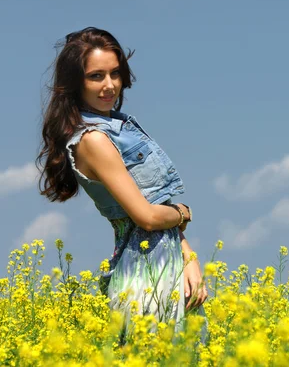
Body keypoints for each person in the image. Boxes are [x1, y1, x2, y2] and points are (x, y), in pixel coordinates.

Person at [36, 27, 207, 340]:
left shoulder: (119, 127)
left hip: (167, 261)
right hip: (145, 270)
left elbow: (155, 208)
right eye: (96, 76)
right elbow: (148, 217)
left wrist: (189, 257)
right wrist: (184, 211)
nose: (109, 85)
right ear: (75, 83)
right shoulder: (94, 140)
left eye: (115, 74)